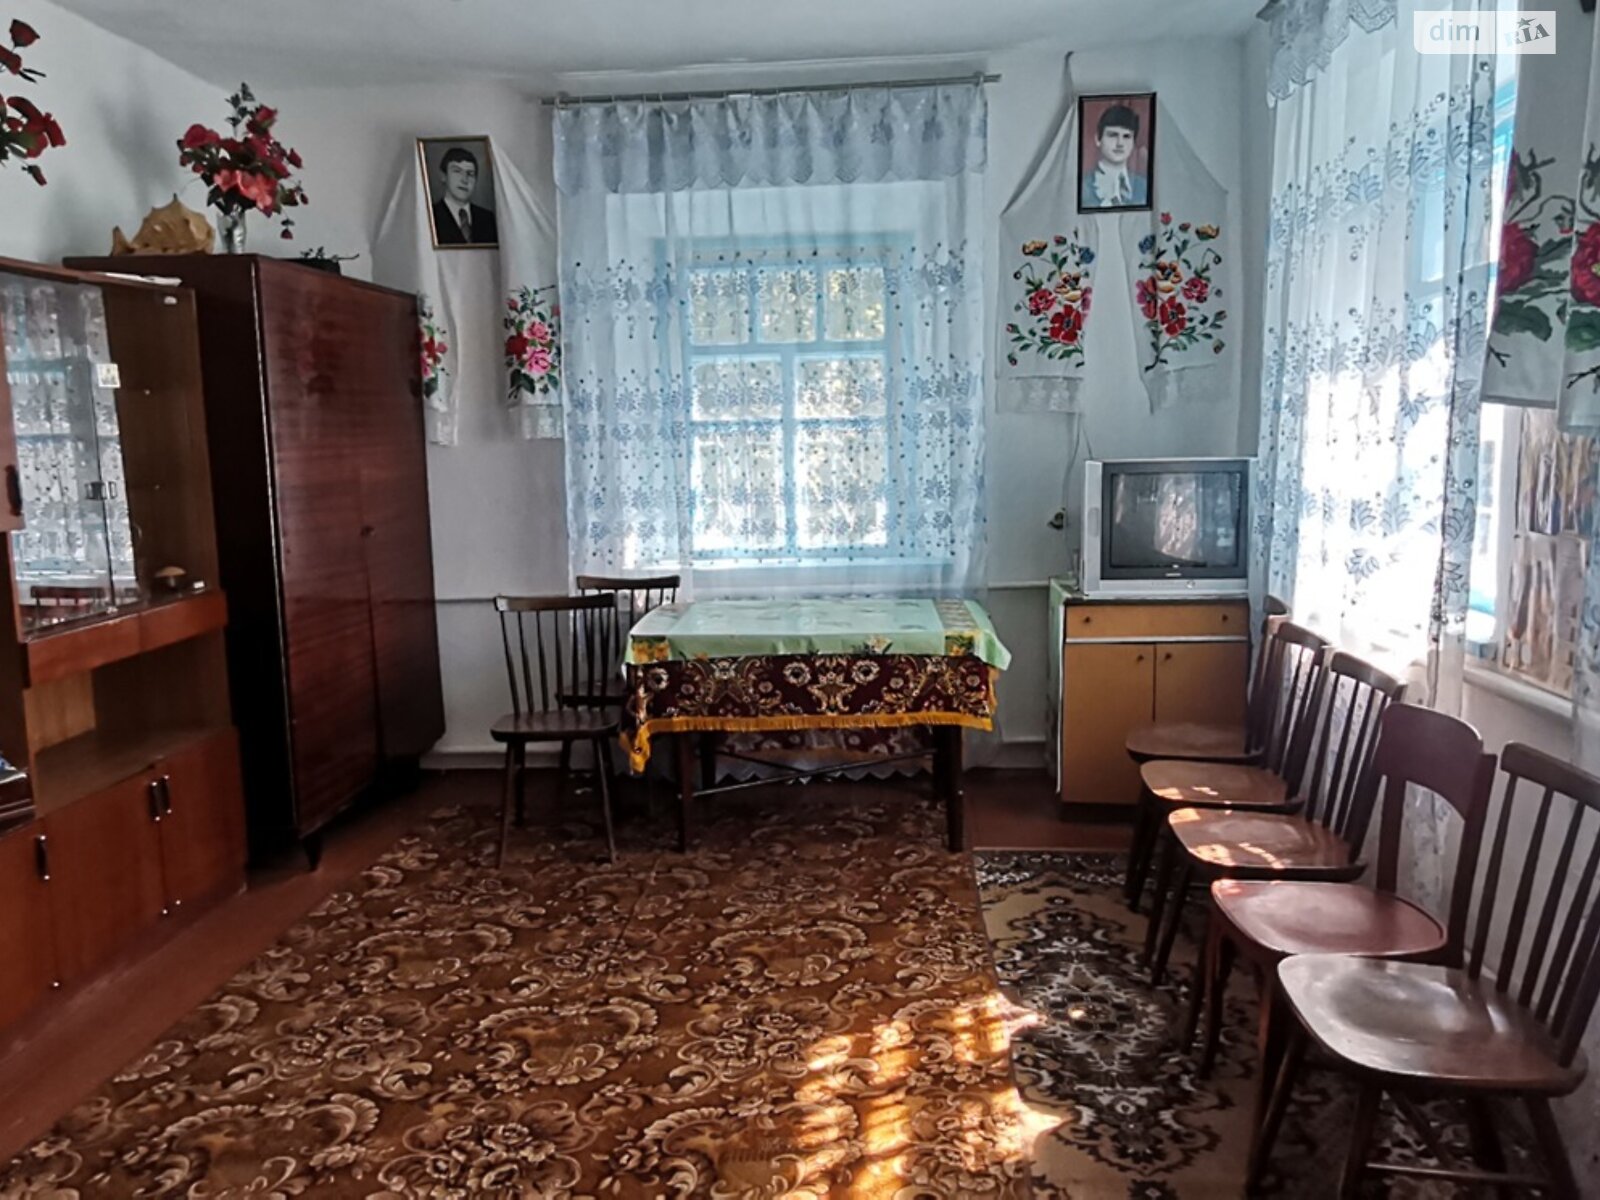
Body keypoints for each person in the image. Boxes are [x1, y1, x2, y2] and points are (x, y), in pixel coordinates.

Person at [1081, 103, 1149, 210]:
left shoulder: (1144, 187)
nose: (1120, 143)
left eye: (1126, 136)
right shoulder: (1082, 186)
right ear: (1098, 139)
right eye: (1113, 135)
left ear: (1133, 143)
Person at [432, 146, 499, 246]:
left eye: (470, 174)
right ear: (443, 176)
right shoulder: (431, 216)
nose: (464, 180)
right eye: (457, 171)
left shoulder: (488, 218)